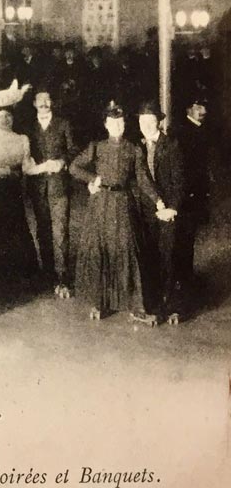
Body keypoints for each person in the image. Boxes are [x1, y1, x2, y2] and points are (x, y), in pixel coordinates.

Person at [71, 101, 169, 324]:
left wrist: (159, 201)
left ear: (125, 124)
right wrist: (91, 179)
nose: (117, 126)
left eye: (120, 122)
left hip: (123, 204)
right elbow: (74, 167)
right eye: (112, 122)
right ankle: (101, 302)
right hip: (101, 205)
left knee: (128, 249)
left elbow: (143, 179)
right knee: (101, 250)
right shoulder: (96, 147)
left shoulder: (133, 149)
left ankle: (137, 306)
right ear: (106, 125)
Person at [0, 81, 39, 288]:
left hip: (13, 192)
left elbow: (27, 165)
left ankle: (17, 280)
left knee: (15, 231)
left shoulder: (22, 139)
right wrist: (4, 171)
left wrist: (44, 166)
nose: (5, 119)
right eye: (1, 116)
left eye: (9, 115)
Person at [135, 103, 184, 323]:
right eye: (141, 121)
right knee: (149, 257)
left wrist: (172, 207)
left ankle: (172, 306)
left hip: (167, 212)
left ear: (158, 122)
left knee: (168, 256)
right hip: (146, 211)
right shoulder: (138, 147)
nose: (146, 125)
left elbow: (179, 181)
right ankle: (152, 305)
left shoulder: (171, 145)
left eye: (150, 120)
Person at [26, 88, 78, 298]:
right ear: (34, 104)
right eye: (40, 100)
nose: (44, 103)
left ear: (52, 103)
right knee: (43, 231)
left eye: (48, 99)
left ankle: (62, 277)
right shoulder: (28, 128)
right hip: (38, 187)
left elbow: (74, 149)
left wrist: (62, 161)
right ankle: (47, 275)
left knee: (61, 232)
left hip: (59, 186)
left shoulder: (64, 124)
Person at [172, 94, 211, 298]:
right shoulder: (182, 132)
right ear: (188, 109)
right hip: (186, 195)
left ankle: (186, 275)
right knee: (183, 238)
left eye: (204, 107)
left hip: (195, 195)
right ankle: (181, 278)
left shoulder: (199, 129)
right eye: (198, 107)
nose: (202, 111)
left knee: (189, 237)